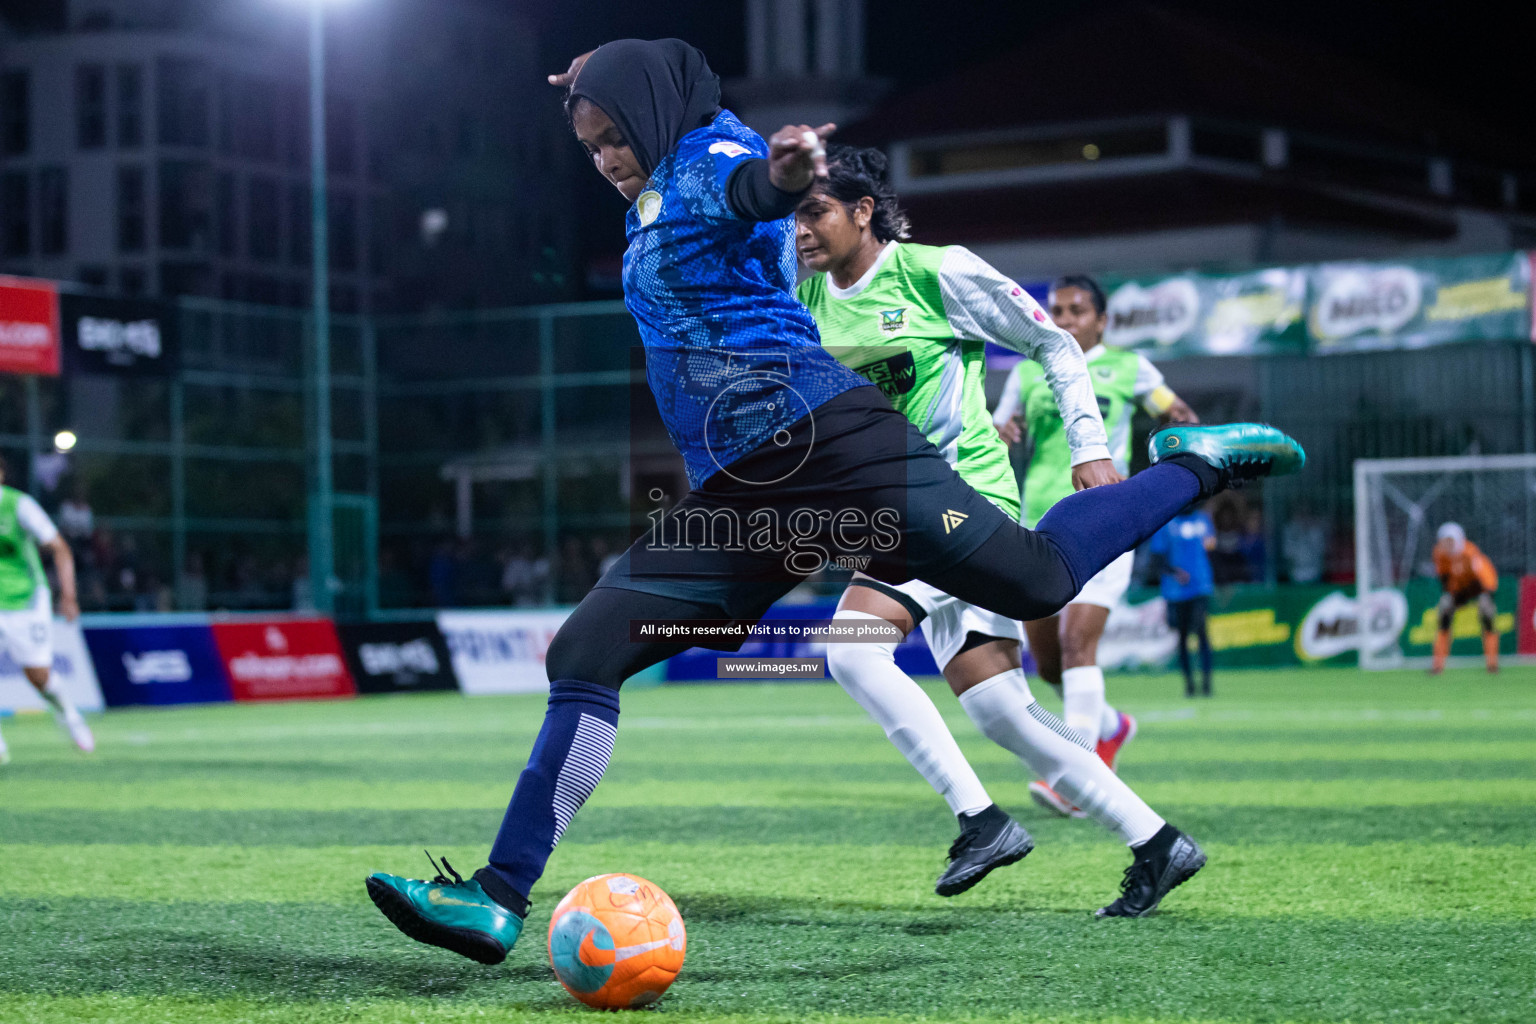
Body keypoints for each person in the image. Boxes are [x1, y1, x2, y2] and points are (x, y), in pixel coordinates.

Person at [364, 38, 1303, 966]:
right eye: (591, 144)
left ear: (654, 115)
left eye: (615, 135)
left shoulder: (709, 160)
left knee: (1034, 580)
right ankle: (496, 898)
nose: (606, 158)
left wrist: (783, 177)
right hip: (748, 490)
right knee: (585, 650)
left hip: (834, 446)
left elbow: (750, 192)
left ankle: (1200, 466)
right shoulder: (656, 186)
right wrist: (603, 78)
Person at [796, 146, 1213, 904]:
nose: (799, 230)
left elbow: (1052, 342)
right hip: (899, 512)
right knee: (1000, 709)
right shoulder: (810, 297)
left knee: (851, 651)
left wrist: (1090, 448)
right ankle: (1158, 842)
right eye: (790, 213)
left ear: (862, 211)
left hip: (964, 499)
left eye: (814, 210)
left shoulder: (936, 271)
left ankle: (980, 821)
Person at [992, 275, 1198, 816]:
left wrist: (1175, 440)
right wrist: (1002, 429)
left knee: (1079, 644)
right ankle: (1110, 726)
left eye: (1077, 310)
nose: (1063, 319)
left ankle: (1077, 779)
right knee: (1052, 664)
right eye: (1056, 309)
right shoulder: (1027, 369)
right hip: (1036, 520)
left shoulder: (1130, 369)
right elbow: (997, 427)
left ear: (1101, 320)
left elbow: (1175, 411)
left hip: (1106, 520)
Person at [0, 455, 94, 765]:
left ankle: (69, 715)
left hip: (26, 599)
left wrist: (68, 595)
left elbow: (59, 547)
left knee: (38, 675)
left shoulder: (19, 506)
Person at [1147, 504, 1217, 697]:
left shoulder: (1203, 520)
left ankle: (1207, 684)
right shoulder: (1167, 523)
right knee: (1183, 636)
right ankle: (1189, 685)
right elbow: (1157, 558)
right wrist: (1174, 572)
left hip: (1201, 586)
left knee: (1201, 631)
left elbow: (1211, 547)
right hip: (1176, 591)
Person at [1429, 522, 1499, 674]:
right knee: (1444, 611)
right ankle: (1437, 665)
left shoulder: (1469, 552)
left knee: (1486, 613)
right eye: (1444, 541)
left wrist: (1487, 595)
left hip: (1477, 587)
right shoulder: (1439, 554)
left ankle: (1492, 663)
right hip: (1457, 589)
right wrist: (1451, 596)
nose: (1447, 545)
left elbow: (1485, 577)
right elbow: (1444, 578)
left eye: (1450, 541)